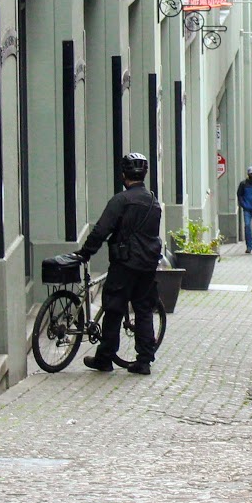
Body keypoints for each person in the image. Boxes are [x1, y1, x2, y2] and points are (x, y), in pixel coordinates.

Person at [72, 152, 165, 376]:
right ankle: (144, 361)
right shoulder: (154, 203)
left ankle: (105, 358)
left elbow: (102, 230)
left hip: (124, 264)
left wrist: (86, 253)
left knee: (114, 309)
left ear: (124, 175)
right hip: (147, 265)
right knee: (143, 310)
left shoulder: (121, 200)